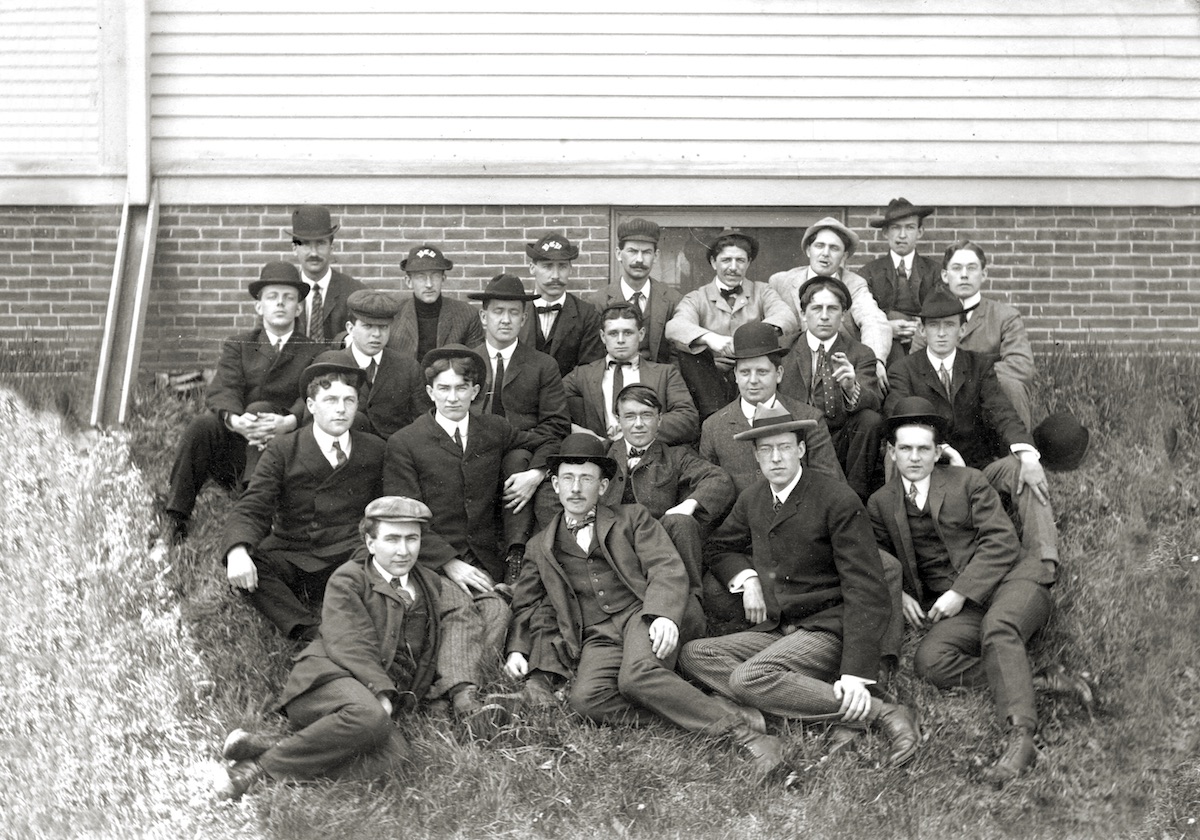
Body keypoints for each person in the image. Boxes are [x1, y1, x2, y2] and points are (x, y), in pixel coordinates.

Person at [502, 434, 787, 776]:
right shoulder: (539, 545)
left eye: (586, 478)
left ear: (604, 486)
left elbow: (664, 566)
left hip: (641, 614)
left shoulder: (632, 518)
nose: (576, 488)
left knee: (636, 677)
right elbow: (527, 602)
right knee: (586, 701)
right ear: (555, 484)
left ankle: (747, 738)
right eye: (568, 478)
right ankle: (707, 713)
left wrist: (664, 615)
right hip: (597, 636)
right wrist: (518, 649)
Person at [214, 496, 509, 801]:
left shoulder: (429, 583)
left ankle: (275, 750)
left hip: (373, 705)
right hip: (328, 681)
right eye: (392, 539)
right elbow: (348, 643)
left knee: (395, 757)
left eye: (412, 539)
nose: (403, 550)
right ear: (370, 542)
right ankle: (253, 772)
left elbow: (468, 613)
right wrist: (382, 692)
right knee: (370, 717)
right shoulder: (349, 579)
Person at [678, 405, 921, 768]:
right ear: (756, 456)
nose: (776, 458)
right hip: (779, 628)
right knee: (694, 654)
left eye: (784, 448)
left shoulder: (835, 499)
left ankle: (881, 711)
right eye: (766, 450)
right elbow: (719, 546)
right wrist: (749, 579)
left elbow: (866, 588)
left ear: (801, 450)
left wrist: (855, 674)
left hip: (828, 629)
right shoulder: (755, 498)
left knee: (747, 679)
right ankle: (785, 699)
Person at [868, 398, 1092, 785]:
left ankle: (1021, 738)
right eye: (905, 448)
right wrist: (902, 592)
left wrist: (959, 592)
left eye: (924, 448)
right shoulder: (880, 503)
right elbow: (881, 555)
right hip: (967, 611)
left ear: (938, 451)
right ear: (892, 451)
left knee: (999, 628)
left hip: (1014, 581)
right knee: (930, 660)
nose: (915, 457)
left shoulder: (967, 481)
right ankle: (1040, 679)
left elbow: (1002, 542)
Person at [383, 344, 549, 652]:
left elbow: (547, 442)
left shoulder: (493, 429)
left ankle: (458, 671)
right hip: (433, 559)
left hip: (485, 556)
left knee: (497, 613)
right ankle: (455, 677)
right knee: (463, 610)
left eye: (461, 388)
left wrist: (535, 474)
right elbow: (404, 515)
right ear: (430, 392)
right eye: (443, 388)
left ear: (475, 392)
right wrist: (449, 562)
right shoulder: (405, 442)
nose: (452, 397)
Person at [884, 286, 1059, 571]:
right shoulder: (904, 370)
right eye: (934, 326)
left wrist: (1028, 455)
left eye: (949, 326)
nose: (942, 333)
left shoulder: (979, 366)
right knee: (895, 459)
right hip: (931, 470)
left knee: (1022, 469)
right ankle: (910, 556)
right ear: (922, 330)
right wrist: (942, 450)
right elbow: (897, 418)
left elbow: (1003, 412)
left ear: (962, 330)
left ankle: (1043, 561)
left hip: (979, 471)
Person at [222, 358, 384, 642]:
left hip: (349, 551)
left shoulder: (375, 449)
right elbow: (253, 505)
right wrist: (237, 551)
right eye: (330, 399)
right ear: (311, 406)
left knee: (380, 561)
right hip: (296, 550)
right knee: (253, 567)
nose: (340, 408)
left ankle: (352, 620)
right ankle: (307, 631)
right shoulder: (283, 449)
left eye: (349, 400)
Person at [159, 262, 323, 543]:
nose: (280, 304)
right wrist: (235, 421)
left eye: (289, 298)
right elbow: (224, 388)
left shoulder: (314, 351)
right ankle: (176, 518)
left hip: (285, 447)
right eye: (272, 297)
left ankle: (254, 513)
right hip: (237, 445)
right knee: (201, 426)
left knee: (260, 410)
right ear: (259, 307)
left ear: (298, 308)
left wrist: (290, 421)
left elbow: (314, 395)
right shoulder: (240, 344)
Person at [467, 273, 571, 582]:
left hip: (522, 453)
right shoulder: (464, 359)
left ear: (524, 319)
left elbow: (556, 425)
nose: (505, 320)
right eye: (498, 311)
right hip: (472, 448)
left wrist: (537, 472)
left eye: (514, 313)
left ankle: (516, 554)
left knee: (516, 460)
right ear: (484, 317)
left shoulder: (541, 364)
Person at [601, 384, 736, 609]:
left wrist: (689, 505)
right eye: (630, 416)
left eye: (646, 415)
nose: (638, 424)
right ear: (618, 419)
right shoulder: (602, 453)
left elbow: (719, 480)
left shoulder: (675, 456)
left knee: (681, 522)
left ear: (660, 419)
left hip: (660, 546)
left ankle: (689, 604)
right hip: (612, 546)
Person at [698, 321, 844, 496]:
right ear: (735, 375)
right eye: (745, 372)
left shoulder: (808, 418)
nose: (753, 380)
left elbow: (830, 484)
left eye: (762, 372)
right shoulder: (713, 427)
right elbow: (710, 488)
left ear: (779, 374)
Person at [665, 229, 797, 421]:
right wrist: (711, 339)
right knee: (689, 353)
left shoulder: (762, 291)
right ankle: (715, 420)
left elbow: (786, 317)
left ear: (748, 263)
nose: (733, 267)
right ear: (713, 262)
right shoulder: (697, 297)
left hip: (752, 371)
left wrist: (750, 340)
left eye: (740, 261)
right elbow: (675, 327)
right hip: (711, 379)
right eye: (726, 260)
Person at [777, 276, 884, 501]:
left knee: (870, 420)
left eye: (832, 309)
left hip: (838, 438)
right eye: (816, 308)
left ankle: (854, 500)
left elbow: (874, 400)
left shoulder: (860, 352)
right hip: (794, 433)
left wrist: (850, 387)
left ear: (843, 314)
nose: (824, 316)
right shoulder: (784, 348)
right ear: (804, 313)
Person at [910, 240, 1036, 431]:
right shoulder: (929, 317)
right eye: (956, 268)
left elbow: (1021, 366)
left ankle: (1018, 453)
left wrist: (972, 382)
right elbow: (915, 365)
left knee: (1013, 386)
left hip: (989, 399)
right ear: (945, 275)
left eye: (972, 268)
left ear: (983, 274)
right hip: (943, 400)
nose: (964, 275)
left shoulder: (1005, 316)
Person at [768, 217, 892, 378]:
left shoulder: (854, 283)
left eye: (834, 248)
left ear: (844, 255)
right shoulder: (782, 281)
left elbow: (873, 320)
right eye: (819, 246)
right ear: (808, 250)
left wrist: (874, 362)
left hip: (839, 362)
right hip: (793, 365)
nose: (825, 253)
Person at [563, 302, 698, 446]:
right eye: (613, 333)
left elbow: (687, 417)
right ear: (603, 336)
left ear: (641, 334)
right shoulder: (582, 374)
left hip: (651, 453)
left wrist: (637, 432)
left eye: (628, 333)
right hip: (601, 455)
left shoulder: (665, 373)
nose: (620, 340)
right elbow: (549, 409)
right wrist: (581, 433)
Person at [330, 289, 427, 439]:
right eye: (368, 326)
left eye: (383, 327)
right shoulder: (333, 364)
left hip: (394, 453)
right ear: (350, 328)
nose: (376, 334)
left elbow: (422, 420)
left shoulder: (408, 367)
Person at [856, 198, 941, 363]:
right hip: (885, 351)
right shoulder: (868, 273)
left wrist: (922, 327)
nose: (902, 235)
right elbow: (859, 317)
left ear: (920, 232)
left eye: (910, 228)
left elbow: (944, 312)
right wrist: (886, 327)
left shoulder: (935, 272)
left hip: (926, 349)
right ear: (885, 232)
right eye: (896, 228)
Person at [588, 218, 681, 364]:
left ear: (655, 256)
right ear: (619, 254)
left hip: (660, 382)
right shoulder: (598, 301)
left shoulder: (672, 300)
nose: (639, 259)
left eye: (646, 252)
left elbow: (676, 356)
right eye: (632, 251)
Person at [519, 232, 604, 377]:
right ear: (532, 268)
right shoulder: (517, 310)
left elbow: (589, 370)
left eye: (562, 266)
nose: (555, 276)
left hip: (568, 397)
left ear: (571, 269)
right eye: (547, 266)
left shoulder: (587, 315)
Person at [387, 244, 484, 362]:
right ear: (409, 281)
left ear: (443, 279)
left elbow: (475, 364)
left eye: (435, 276)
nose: (429, 284)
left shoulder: (467, 315)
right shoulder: (393, 315)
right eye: (421, 277)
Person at [290, 205, 364, 342]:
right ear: (294, 248)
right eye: (305, 244)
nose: (314, 253)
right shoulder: (284, 292)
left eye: (320, 243)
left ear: (331, 248)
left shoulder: (355, 292)